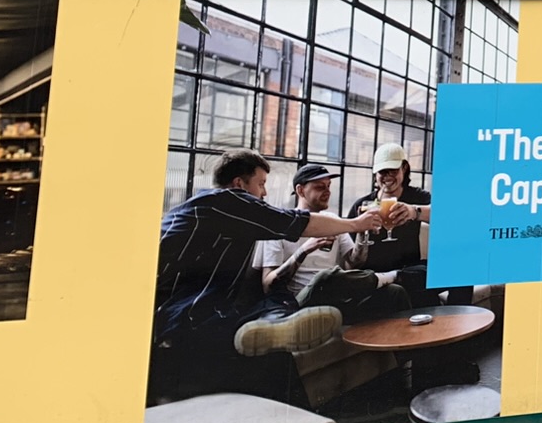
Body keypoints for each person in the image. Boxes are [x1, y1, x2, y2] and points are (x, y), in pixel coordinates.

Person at [151, 149, 412, 403]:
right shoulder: (224, 202)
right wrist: (356, 224)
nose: (264, 193)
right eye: (261, 184)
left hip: (197, 311)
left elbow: (350, 257)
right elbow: (293, 223)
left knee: (270, 346)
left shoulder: (218, 214)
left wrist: (358, 233)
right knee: (271, 329)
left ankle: (276, 331)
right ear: (239, 184)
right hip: (171, 316)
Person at [254, 163, 409, 324]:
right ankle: (393, 276)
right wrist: (304, 250)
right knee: (326, 276)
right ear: (300, 190)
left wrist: (363, 233)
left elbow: (355, 262)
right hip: (299, 300)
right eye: (320, 187)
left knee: (394, 292)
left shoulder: (333, 221)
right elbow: (268, 285)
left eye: (328, 186)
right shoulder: (281, 226)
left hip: (338, 296)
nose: (327, 192)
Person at [348, 142, 443, 301]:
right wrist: (362, 231)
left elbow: (447, 216)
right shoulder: (362, 205)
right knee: (400, 292)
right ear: (375, 174)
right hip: (376, 278)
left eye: (393, 170)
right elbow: (354, 261)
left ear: (404, 169)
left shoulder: (417, 197)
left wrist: (414, 211)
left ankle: (460, 319)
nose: (387, 176)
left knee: (460, 273)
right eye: (382, 172)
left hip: (412, 271)